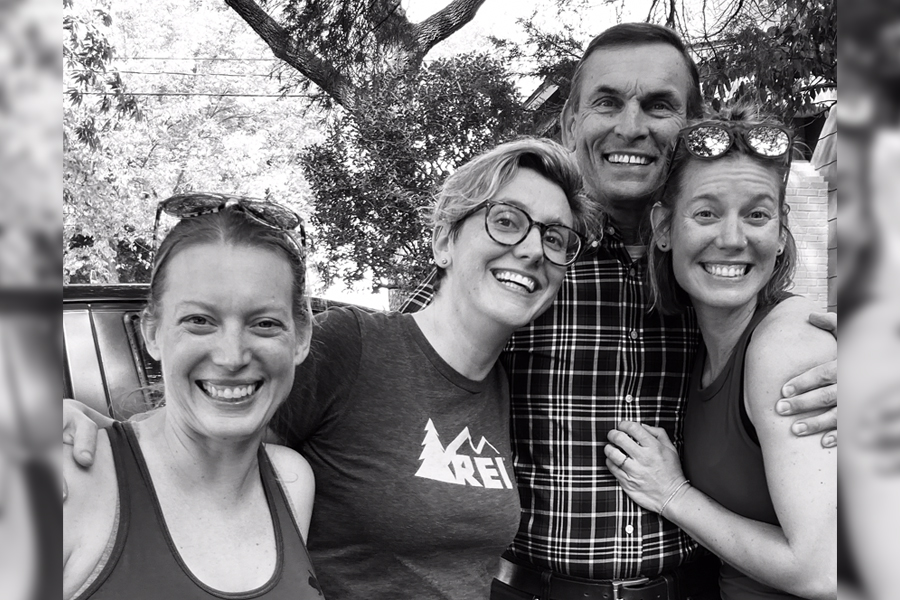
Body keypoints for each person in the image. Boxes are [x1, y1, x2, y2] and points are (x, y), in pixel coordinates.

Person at [400, 23, 838, 600]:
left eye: (659, 105)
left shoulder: (716, 278)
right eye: (607, 102)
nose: (631, 126)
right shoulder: (519, 263)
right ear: (570, 124)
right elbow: (397, 376)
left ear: (690, 129)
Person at [64, 138, 598, 599]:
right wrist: (93, 432)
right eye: (506, 221)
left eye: (555, 238)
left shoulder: (510, 383)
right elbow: (209, 435)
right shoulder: (352, 346)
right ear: (444, 241)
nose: (533, 249)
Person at [603, 107, 836, 600]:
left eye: (757, 215)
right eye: (706, 213)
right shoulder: (703, 340)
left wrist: (672, 494)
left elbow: (824, 572)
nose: (732, 239)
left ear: (780, 233)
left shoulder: (786, 344)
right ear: (664, 228)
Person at [63, 196, 323, 599]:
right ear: (152, 333)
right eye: (199, 321)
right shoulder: (70, 480)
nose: (232, 356)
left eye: (265, 323)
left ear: (301, 337)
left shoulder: (292, 481)